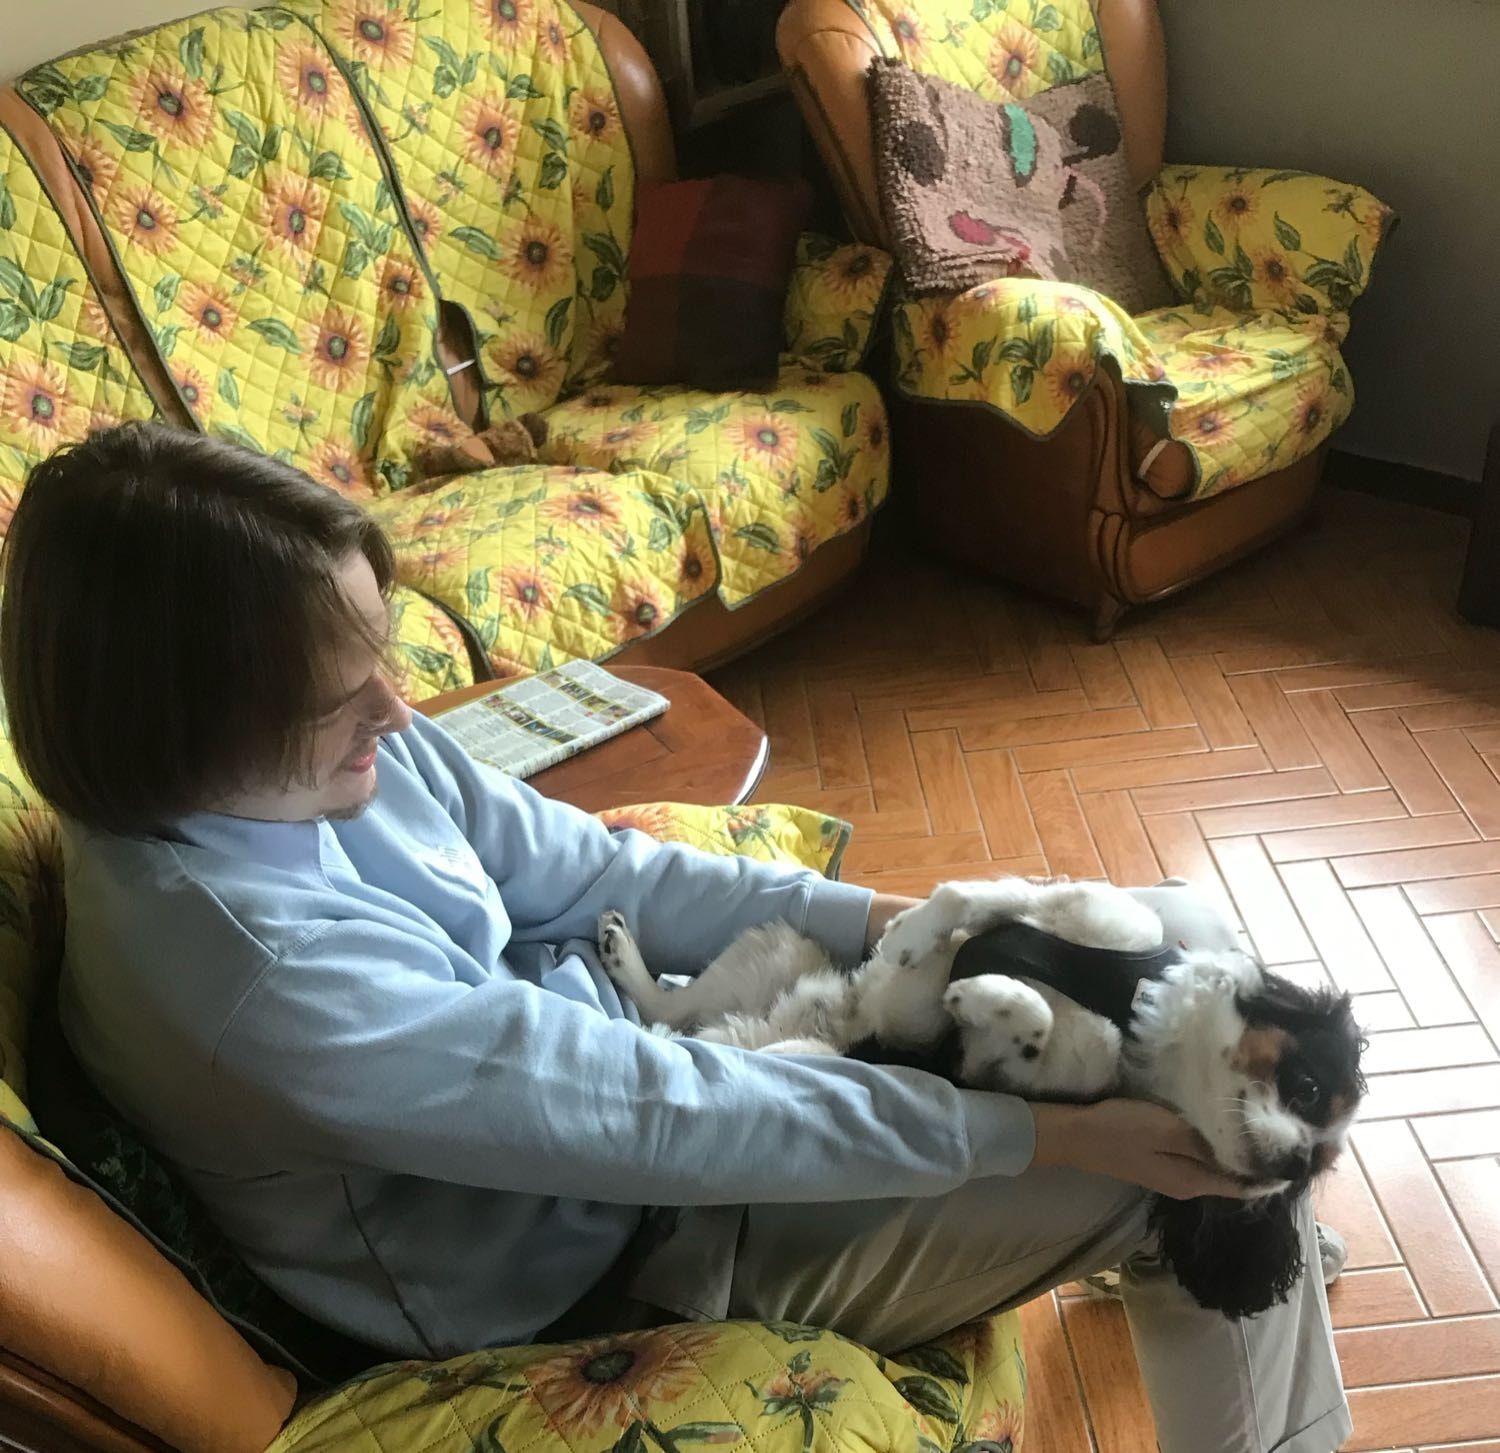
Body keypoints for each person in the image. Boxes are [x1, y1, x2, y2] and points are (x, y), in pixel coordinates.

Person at [0, 423, 1350, 1453]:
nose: (400, 713)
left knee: (1189, 934)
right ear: (191, 723)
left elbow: (590, 869)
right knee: (1198, 1176)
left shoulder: (316, 758)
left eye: (382, 655)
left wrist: (896, 918)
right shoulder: (259, 981)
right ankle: (1237, 1327)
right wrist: (1041, 1140)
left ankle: (1223, 1277)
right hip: (615, 1259)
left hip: (642, 1085)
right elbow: (663, 1118)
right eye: (338, 694)